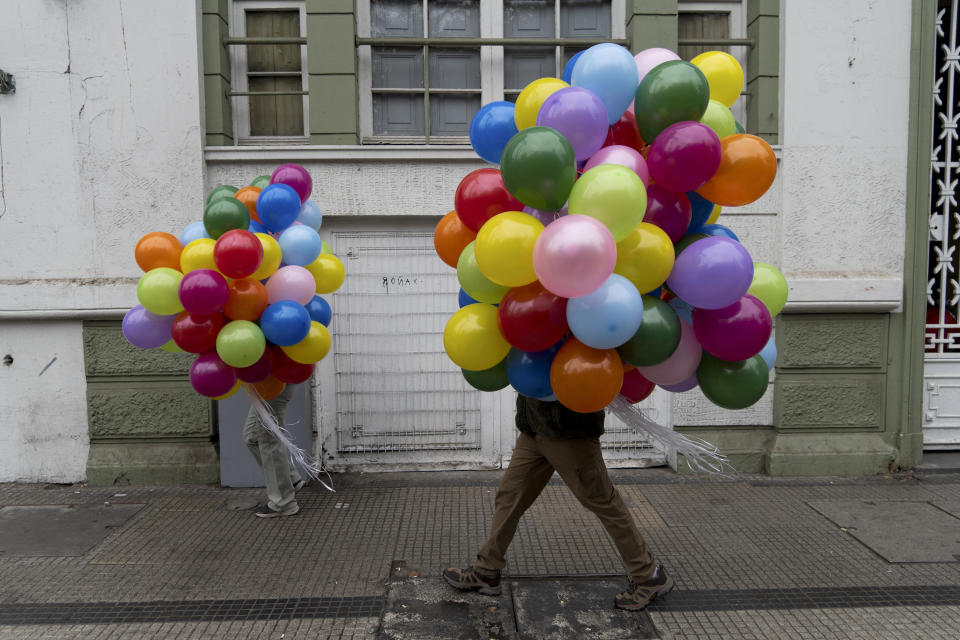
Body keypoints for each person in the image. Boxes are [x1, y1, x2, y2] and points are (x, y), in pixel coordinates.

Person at [443, 395, 673, 611]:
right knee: (509, 496)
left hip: (570, 432)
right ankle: (486, 571)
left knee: (604, 502)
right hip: (533, 429)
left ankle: (648, 575)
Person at [242, 383, 306, 518]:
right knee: (252, 437)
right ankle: (290, 479)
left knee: (268, 440)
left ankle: (283, 503)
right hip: (268, 382)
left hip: (275, 380)